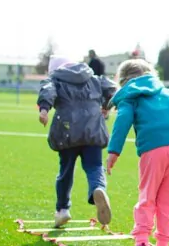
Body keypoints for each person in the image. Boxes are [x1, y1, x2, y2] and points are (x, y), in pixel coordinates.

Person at [105, 59, 169, 246]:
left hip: (153, 150)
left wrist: (113, 151)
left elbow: (123, 120)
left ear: (123, 80)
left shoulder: (130, 96)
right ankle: (163, 241)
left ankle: (141, 239)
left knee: (148, 195)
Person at [37, 55, 117, 228]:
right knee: (95, 167)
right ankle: (98, 188)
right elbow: (112, 89)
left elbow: (47, 90)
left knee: (66, 171)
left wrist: (44, 109)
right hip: (93, 130)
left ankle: (63, 210)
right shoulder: (93, 78)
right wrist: (106, 106)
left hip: (67, 132)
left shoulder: (56, 79)